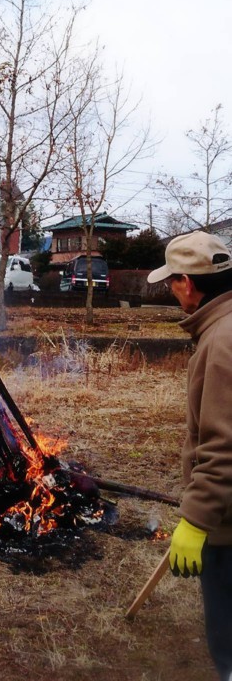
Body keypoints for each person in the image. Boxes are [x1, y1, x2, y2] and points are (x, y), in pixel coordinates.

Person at [148, 231, 232, 681]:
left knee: (228, 640)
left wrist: (196, 522)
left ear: (186, 282)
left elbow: (224, 449)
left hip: (226, 526)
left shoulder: (222, 343)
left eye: (171, 283)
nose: (171, 291)